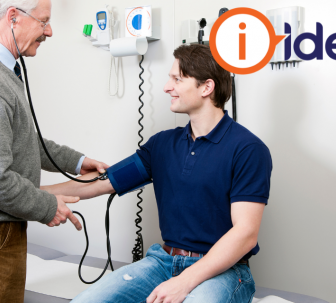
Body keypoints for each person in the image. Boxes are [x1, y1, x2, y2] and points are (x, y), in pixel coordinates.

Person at [43, 44, 273, 303]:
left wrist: (183, 283)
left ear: (206, 87)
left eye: (177, 79)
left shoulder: (248, 149)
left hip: (225, 272)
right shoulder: (163, 145)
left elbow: (245, 234)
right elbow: (101, 183)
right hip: (163, 261)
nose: (166, 87)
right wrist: (34, 194)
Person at [0, 0, 107, 302]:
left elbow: (23, 140)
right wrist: (47, 207)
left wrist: (76, 162)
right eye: (44, 21)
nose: (49, 31)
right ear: (14, 17)